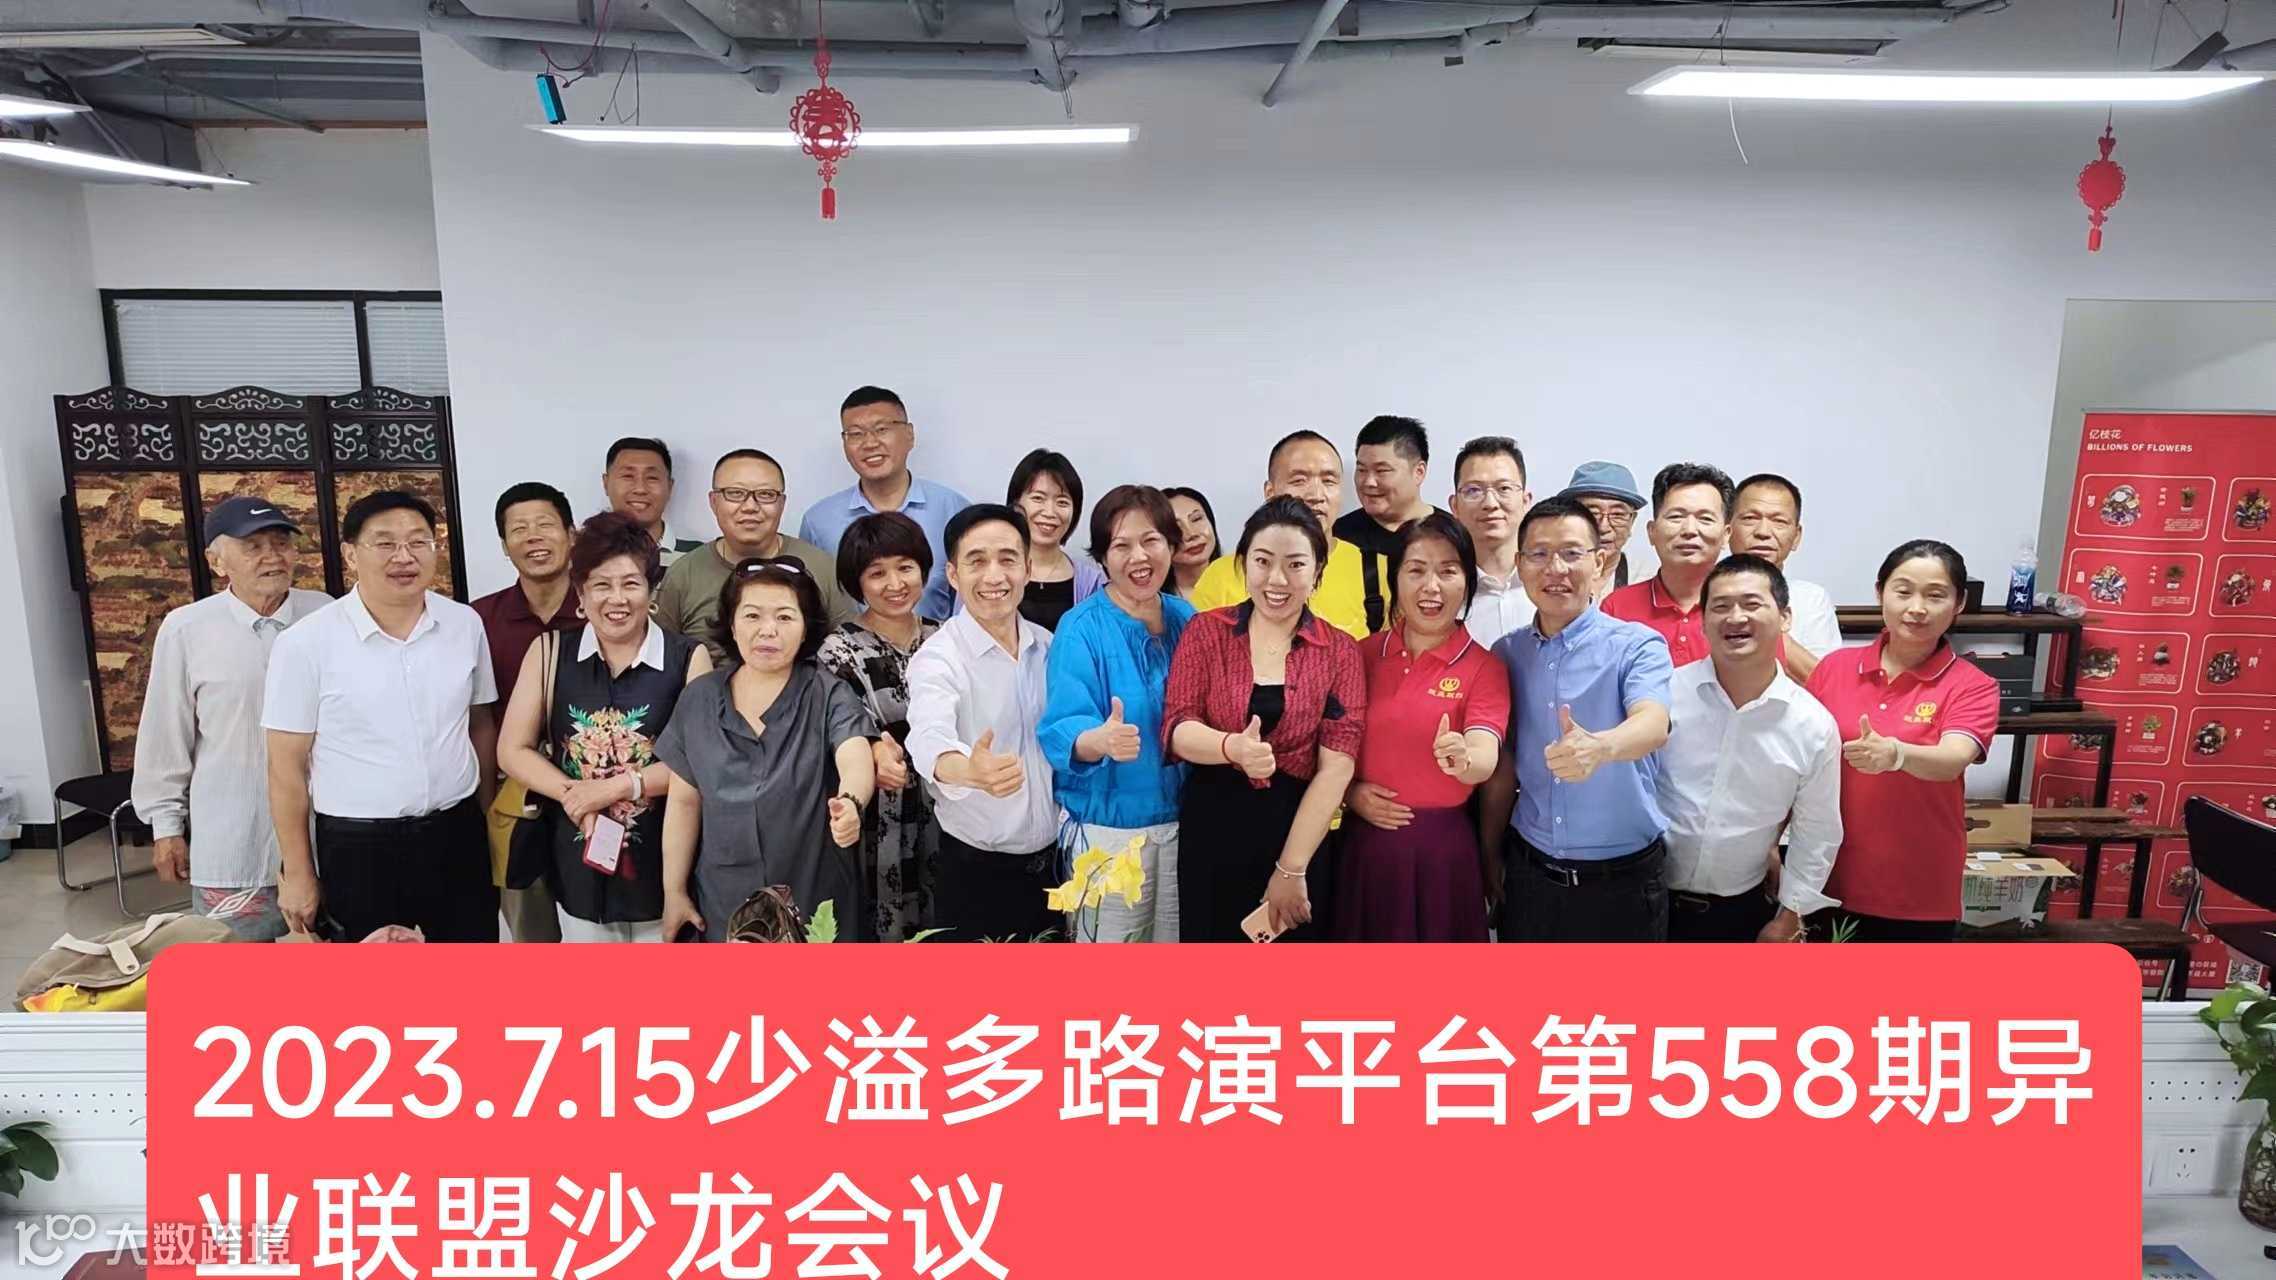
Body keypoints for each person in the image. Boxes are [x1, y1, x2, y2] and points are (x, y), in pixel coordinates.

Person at [263, 491, 500, 942]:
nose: (404, 557)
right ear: (351, 554)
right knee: (372, 979)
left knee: (471, 963)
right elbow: (285, 768)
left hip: (456, 832)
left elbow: (480, 724)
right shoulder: (305, 643)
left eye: (418, 542)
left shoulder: (464, 624)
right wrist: (298, 872)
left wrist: (487, 816)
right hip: (359, 847)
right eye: (386, 543)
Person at [498, 514, 712, 942]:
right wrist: (576, 795)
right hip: (576, 869)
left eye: (631, 584)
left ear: (651, 590)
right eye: (601, 585)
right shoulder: (550, 652)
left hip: (667, 869)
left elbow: (701, 762)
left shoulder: (689, 658)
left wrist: (617, 787)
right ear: (580, 593)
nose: (617, 599)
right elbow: (511, 749)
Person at [133, 497, 332, 941]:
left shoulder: (325, 615)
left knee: (339, 967)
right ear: (216, 561)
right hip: (234, 837)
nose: (272, 556)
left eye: (281, 543)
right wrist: (166, 826)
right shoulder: (187, 628)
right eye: (253, 546)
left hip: (328, 832)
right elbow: (165, 734)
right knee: (235, 967)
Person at [1167, 496, 1366, 942]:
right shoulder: (1206, 631)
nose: (1277, 579)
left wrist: (1291, 869)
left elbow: (1338, 765)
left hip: (1300, 832)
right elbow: (1178, 726)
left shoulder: (1340, 651)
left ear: (1317, 571)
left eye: (1295, 565)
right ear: (1243, 564)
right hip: (1212, 830)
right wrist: (1231, 747)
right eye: (1262, 561)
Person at [654, 559, 877, 941]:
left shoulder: (828, 693)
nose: (768, 630)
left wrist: (851, 803)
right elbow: (683, 801)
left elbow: (854, 754)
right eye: (752, 615)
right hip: (723, 900)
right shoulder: (699, 698)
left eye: (785, 617)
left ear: (806, 629)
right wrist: (673, 892)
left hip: (814, 895)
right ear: (732, 624)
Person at [1494, 495, 1673, 942]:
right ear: (1519, 564)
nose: (1555, 569)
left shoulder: (1637, 645)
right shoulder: (1507, 653)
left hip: (1622, 883)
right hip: (1531, 876)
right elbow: (1502, 762)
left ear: (1599, 563)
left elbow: (1653, 723)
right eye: (1539, 554)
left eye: (1572, 553)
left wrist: (1601, 747)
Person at [1805, 539, 2000, 942]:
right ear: (1880, 593)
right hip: (1826, 878)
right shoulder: (1833, 669)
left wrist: (1896, 754)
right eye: (1903, 591)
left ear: (1959, 603)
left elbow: (1953, 758)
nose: (1917, 608)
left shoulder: (1973, 685)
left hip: (1917, 887)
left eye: (1936, 595)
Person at [1338, 513, 1509, 941]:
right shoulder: (1360, 655)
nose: (1431, 586)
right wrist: (1349, 793)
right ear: (1395, 580)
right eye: (1416, 570)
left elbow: (1484, 753)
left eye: (1448, 571)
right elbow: (1327, 747)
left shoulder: (1484, 667)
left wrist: (1464, 758)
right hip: (1364, 847)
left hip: (1442, 854)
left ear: (1467, 583)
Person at [1656, 554, 1843, 943]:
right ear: (1702, 620)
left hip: (1741, 912)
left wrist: (1790, 916)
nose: (1735, 617)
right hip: (1647, 902)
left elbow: (1817, 831)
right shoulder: (1664, 695)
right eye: (1720, 606)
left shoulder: (1812, 724)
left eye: (1751, 604)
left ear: (1785, 617)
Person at [1039, 485, 1197, 943]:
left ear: (1171, 545)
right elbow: (1062, 726)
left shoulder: (1188, 618)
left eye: (1151, 540)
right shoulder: (1080, 627)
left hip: (1184, 824)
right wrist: (1099, 740)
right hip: (1108, 833)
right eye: (1121, 545)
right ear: (1103, 558)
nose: (1138, 557)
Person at [906, 505, 1062, 942]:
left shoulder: (1048, 646)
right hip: (976, 871)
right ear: (953, 575)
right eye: (977, 561)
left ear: (1028, 568)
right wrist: (968, 770)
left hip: (1055, 868)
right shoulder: (939, 657)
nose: (994, 576)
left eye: (1007, 559)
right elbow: (928, 737)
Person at [815, 512, 942, 941]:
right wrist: (872, 749)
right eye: (877, 573)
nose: (895, 583)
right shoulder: (838, 650)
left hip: (945, 808)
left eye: (905, 567)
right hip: (878, 816)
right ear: (857, 582)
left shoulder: (945, 639)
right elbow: (841, 727)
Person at [472, 481, 582, 944]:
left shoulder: (604, 608)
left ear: (571, 534)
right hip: (514, 801)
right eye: (519, 529)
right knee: (530, 933)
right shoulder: (479, 620)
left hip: (595, 796)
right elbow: (476, 720)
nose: (533, 537)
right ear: (504, 546)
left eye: (544, 525)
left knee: (603, 933)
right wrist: (485, 804)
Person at [657, 449, 853, 666]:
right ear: (713, 501)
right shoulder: (684, 574)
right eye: (735, 493)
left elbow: (849, 653)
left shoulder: (821, 567)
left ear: (782, 503)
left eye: (766, 494)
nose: (750, 506)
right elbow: (663, 661)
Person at [1186, 430, 1385, 640]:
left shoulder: (1376, 571)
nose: (1316, 495)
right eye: (1299, 481)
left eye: (1328, 481)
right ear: (1270, 493)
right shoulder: (1223, 575)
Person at [797, 386, 972, 621]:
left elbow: (970, 599)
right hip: (849, 645)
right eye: (856, 434)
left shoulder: (954, 510)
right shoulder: (818, 521)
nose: (870, 443)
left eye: (881, 429)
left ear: (909, 435)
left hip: (940, 643)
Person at [1601, 463, 1735, 670]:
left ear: (1726, 535)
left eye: (1705, 519)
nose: (1690, 530)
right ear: (1652, 532)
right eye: (1676, 517)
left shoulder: (1746, 609)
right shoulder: (1616, 608)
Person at [1333, 416, 1445, 634]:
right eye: (1361, 470)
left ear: (1419, 472)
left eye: (1382, 471)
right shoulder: (1338, 536)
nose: (1368, 482)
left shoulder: (1450, 536)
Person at [1729, 473, 1845, 683]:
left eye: (1779, 521)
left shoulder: (1811, 598)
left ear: (1796, 536)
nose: (1763, 532)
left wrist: (1767, 628)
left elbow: (1829, 685)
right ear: (1727, 528)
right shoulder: (1704, 593)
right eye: (1750, 519)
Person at [1447, 436, 1535, 647]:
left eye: (1504, 488)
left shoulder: (1552, 582)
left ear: (1525, 501)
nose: (1490, 503)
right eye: (1473, 490)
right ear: (1455, 506)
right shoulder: (1442, 592)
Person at [1006, 448, 1104, 631]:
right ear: (1015, 503)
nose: (1050, 512)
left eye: (1062, 502)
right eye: (1038, 498)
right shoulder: (989, 572)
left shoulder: (1092, 582)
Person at [603, 437, 703, 567]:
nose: (640, 489)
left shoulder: (698, 557)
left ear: (669, 487)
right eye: (628, 476)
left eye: (652, 478)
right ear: (606, 483)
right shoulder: (582, 552)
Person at [1560, 461, 1645, 593]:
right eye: (1593, 513)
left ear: (1632, 521)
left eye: (1617, 514)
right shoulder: (1545, 575)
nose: (1603, 527)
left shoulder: (1645, 584)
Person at [1163, 487, 1220, 599]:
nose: (1191, 534)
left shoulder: (1246, 583)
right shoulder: (1153, 601)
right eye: (1176, 527)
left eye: (1196, 519)